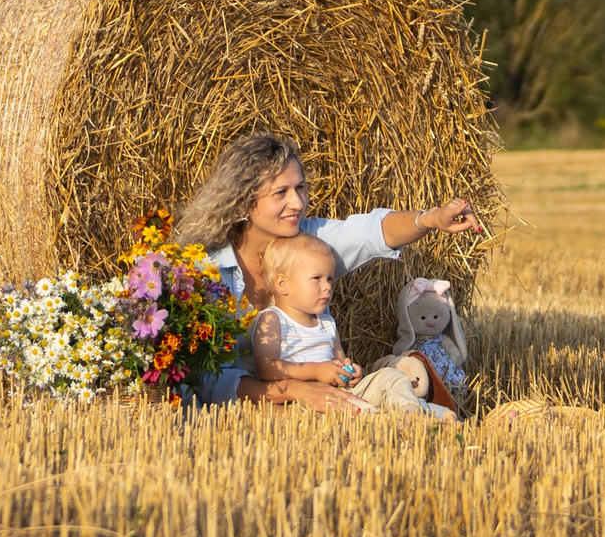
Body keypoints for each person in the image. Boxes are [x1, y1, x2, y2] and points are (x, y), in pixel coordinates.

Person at [172, 130, 482, 412]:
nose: (298, 203)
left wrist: (431, 219)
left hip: (317, 397)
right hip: (246, 410)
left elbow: (371, 233)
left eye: (300, 188)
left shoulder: (310, 241)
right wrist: (294, 390)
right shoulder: (205, 271)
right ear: (242, 204)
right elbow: (207, 378)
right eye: (280, 193)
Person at [249, 235, 451, 421]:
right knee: (356, 410)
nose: (327, 286)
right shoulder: (273, 319)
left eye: (329, 279)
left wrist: (351, 373)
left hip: (341, 393)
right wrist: (317, 371)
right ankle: (407, 418)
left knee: (392, 376)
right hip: (307, 403)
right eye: (316, 278)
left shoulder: (326, 322)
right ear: (283, 284)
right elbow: (267, 369)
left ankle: (411, 411)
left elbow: (339, 360)